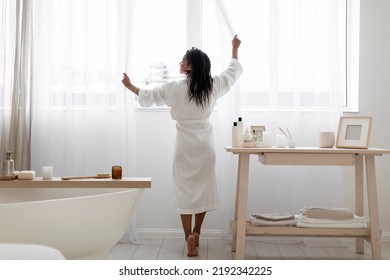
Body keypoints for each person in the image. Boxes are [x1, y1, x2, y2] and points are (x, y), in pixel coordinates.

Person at [122, 35, 243, 257]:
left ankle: (187, 234)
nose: (180, 63)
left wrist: (129, 86)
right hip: (205, 145)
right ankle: (198, 231)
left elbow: (149, 96)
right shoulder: (212, 86)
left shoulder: (173, 88)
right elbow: (232, 72)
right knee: (204, 188)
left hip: (184, 146)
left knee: (184, 191)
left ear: (190, 66)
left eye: (182, 60)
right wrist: (234, 49)